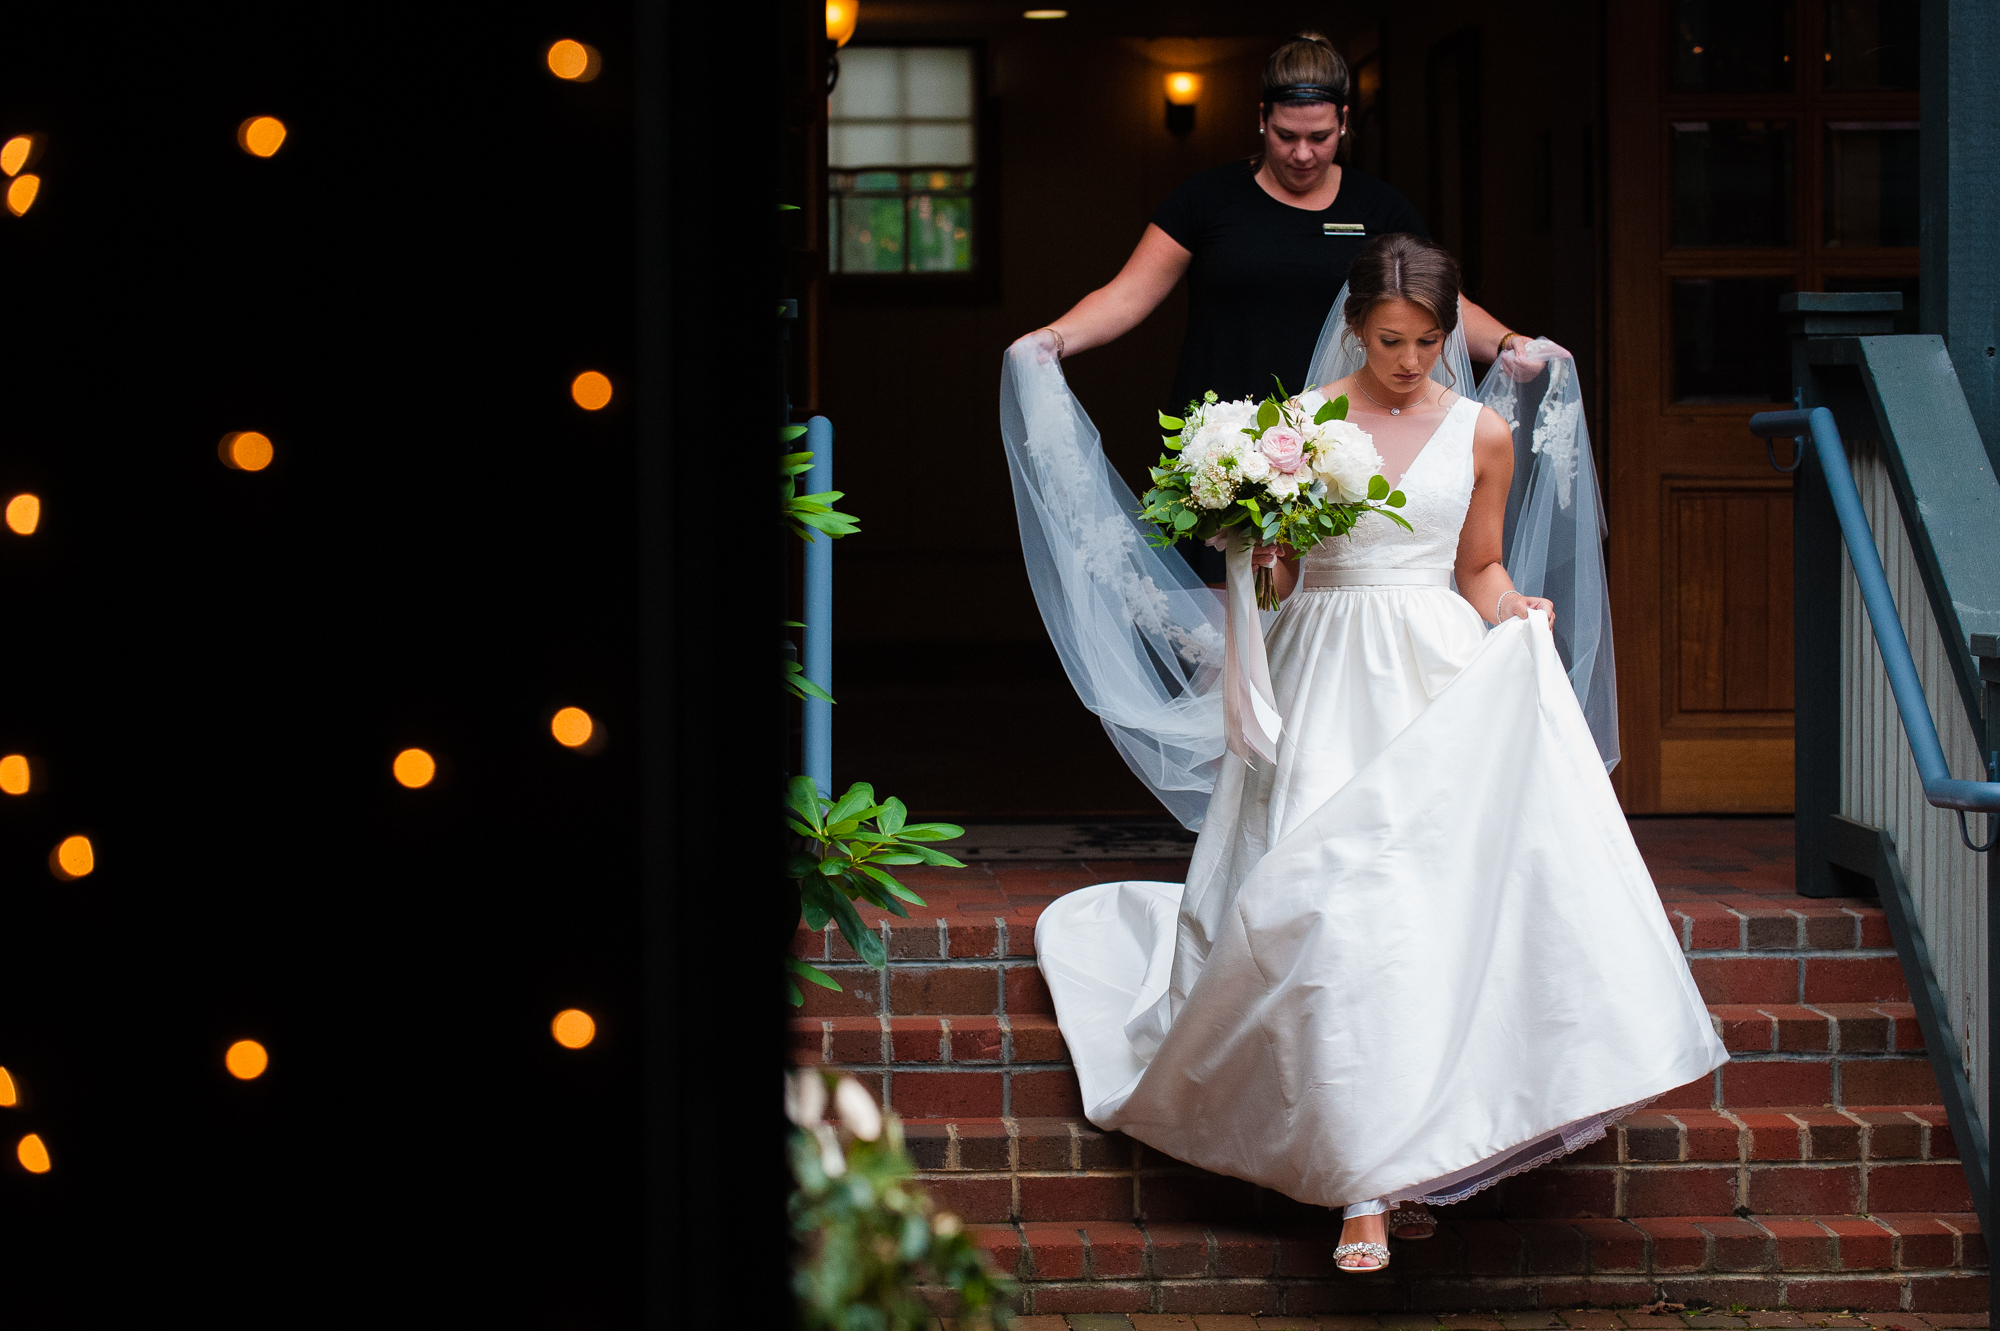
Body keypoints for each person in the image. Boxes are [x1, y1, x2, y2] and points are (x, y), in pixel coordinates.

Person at [1013, 235, 1726, 1273]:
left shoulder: (1482, 432)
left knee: (1411, 923)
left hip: (1427, 678)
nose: (1409, 360)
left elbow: (1474, 563)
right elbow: (1281, 582)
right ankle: (1360, 1176)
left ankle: (1386, 1171)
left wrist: (1510, 608)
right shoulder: (1295, 428)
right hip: (1320, 675)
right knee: (1326, 909)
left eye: (1429, 341)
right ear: (1354, 328)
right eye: (1391, 340)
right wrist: (1254, 554)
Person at [1021, 34, 1566, 582]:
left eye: (1320, 137)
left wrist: (1507, 342)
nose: (1303, 154)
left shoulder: (1376, 206)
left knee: (1333, 595)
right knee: (1231, 619)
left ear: (1345, 122)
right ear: (1261, 118)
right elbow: (1128, 293)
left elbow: (1438, 306)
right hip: (1230, 449)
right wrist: (1055, 337)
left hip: (1339, 447)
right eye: (1286, 136)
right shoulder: (1206, 200)